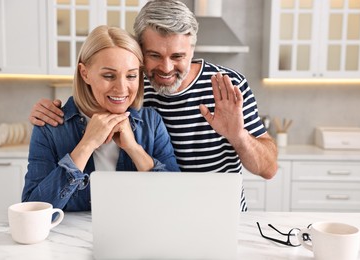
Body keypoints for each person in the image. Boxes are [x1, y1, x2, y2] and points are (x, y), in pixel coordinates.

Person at [28, 0, 278, 211]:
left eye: (177, 56)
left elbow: (268, 169)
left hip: (222, 213)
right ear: (140, 53)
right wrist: (50, 111)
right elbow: (98, 87)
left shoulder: (228, 86)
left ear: (192, 49)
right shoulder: (132, 87)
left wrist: (238, 136)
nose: (166, 68)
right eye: (155, 55)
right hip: (161, 215)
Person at [22, 25, 180, 211]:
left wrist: (134, 149)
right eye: (108, 75)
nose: (121, 88)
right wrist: (86, 145)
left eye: (131, 75)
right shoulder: (50, 127)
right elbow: (33, 210)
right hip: (69, 239)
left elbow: (175, 200)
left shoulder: (152, 123)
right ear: (85, 73)